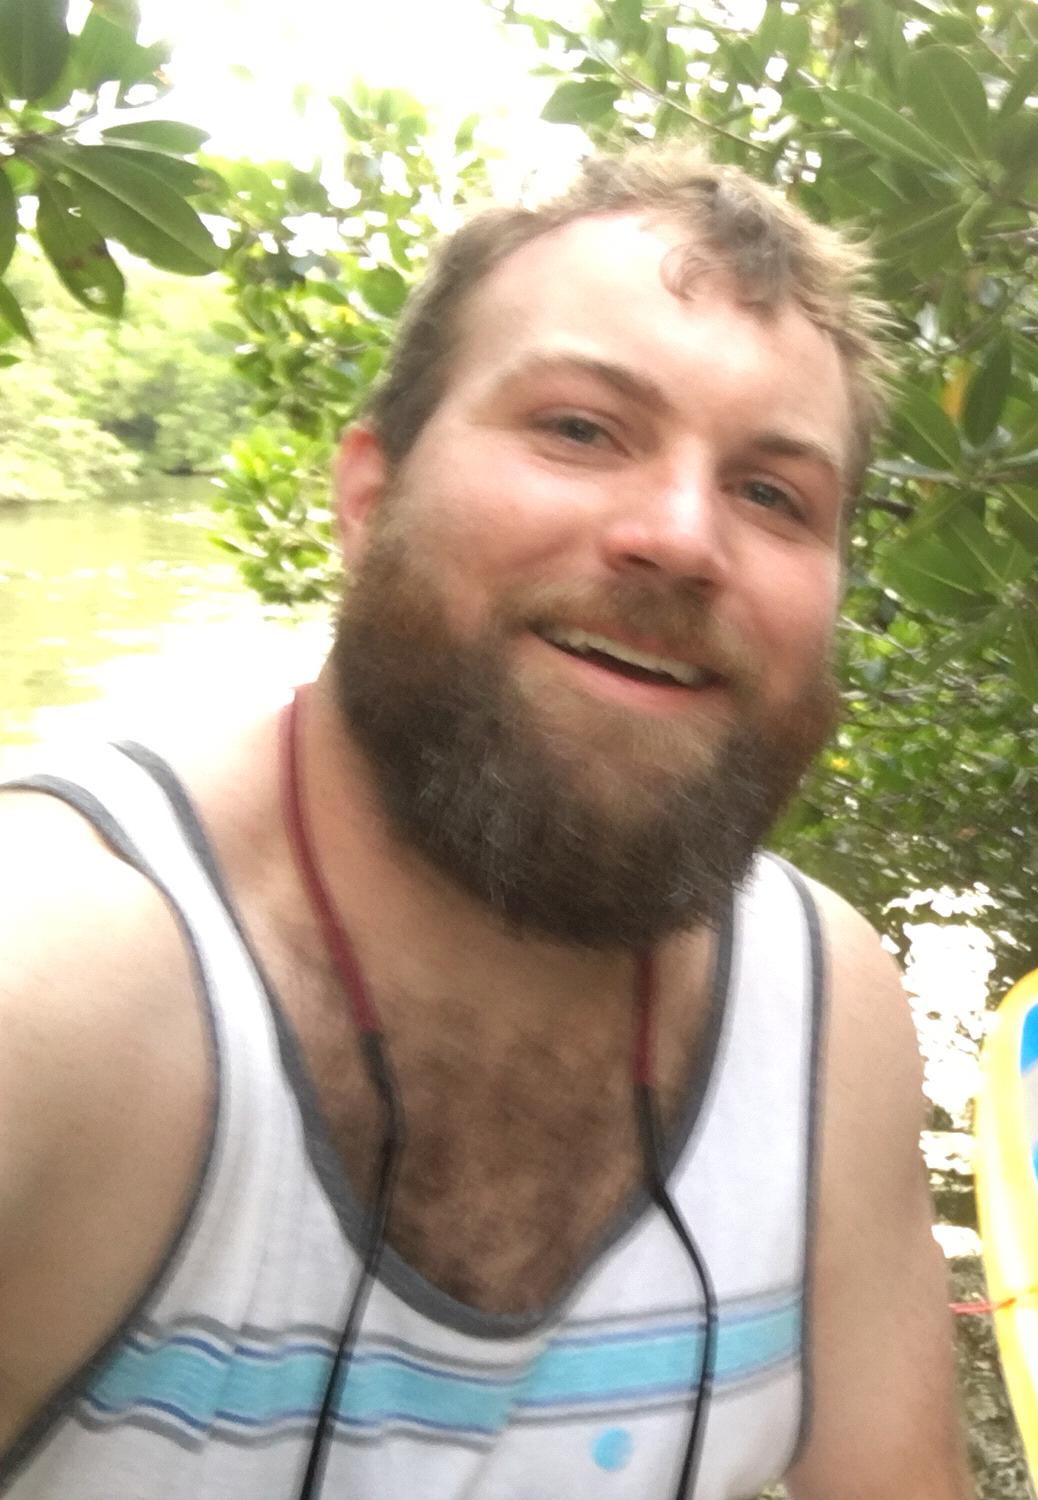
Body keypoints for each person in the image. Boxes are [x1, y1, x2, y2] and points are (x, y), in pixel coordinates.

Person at [0, 145, 972, 1498]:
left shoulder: (826, 1011)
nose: (683, 536)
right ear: (368, 493)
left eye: (773, 493)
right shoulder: (60, 979)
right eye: (581, 428)